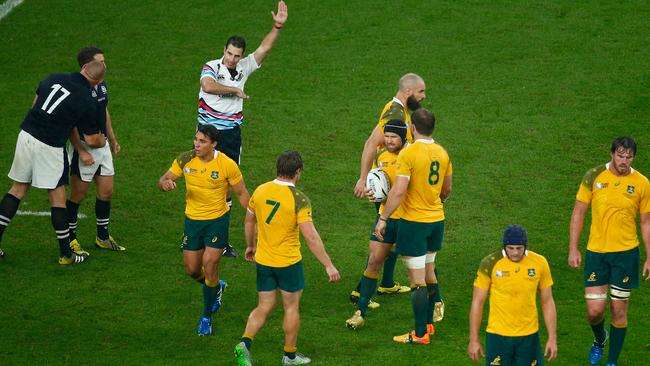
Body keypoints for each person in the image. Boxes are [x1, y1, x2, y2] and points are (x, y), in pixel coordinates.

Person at [197, 0, 287, 258]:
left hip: (232, 135)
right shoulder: (211, 66)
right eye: (230, 54)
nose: (233, 59)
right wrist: (235, 90)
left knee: (226, 186)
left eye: (237, 55)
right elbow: (208, 87)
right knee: (205, 183)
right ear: (223, 50)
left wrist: (277, 26)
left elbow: (265, 48)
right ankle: (199, 234)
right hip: (208, 134)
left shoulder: (245, 66)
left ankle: (220, 241)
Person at [234, 151, 340, 366]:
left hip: (263, 260)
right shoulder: (299, 199)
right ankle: (289, 356)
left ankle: (245, 342)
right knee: (291, 308)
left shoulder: (260, 190)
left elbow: (249, 221)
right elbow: (310, 235)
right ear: (297, 172)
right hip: (288, 263)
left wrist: (250, 246)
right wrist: (328, 265)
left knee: (264, 305)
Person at [0, 60, 107, 264]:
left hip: (26, 135)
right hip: (49, 145)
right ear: (98, 81)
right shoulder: (86, 100)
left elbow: (35, 104)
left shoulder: (54, 77)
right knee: (58, 198)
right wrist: (102, 141)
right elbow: (92, 139)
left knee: (17, 189)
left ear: (84, 68)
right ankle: (66, 254)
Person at [158, 125, 250, 336]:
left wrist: (256, 217)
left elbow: (242, 193)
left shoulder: (227, 164)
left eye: (202, 142)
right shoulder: (185, 159)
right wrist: (165, 184)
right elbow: (163, 179)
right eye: (196, 140)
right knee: (192, 269)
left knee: (210, 265)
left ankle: (206, 317)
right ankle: (217, 287)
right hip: (192, 221)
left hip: (217, 221)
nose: (196, 145)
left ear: (214, 144)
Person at [568, 136, 650, 366]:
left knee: (618, 309)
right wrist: (573, 248)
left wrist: (649, 256)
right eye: (620, 155)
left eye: (629, 157)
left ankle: (612, 362)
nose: (624, 161)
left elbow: (646, 222)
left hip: (626, 255)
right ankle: (600, 338)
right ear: (612, 154)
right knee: (594, 311)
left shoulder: (642, 183)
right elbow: (578, 212)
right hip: (597, 254)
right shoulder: (593, 176)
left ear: (633, 157)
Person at [374, 108, 451, 345]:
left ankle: (419, 334)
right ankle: (428, 324)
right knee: (429, 272)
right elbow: (446, 189)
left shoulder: (408, 154)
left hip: (414, 224)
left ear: (412, 128)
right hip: (437, 221)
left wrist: (384, 217)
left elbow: (398, 191)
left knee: (417, 280)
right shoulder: (442, 153)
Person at [351, 73, 429, 307]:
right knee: (383, 236)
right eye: (421, 92)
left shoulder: (400, 110)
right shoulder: (394, 113)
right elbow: (371, 144)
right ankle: (359, 293)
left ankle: (386, 283)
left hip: (395, 178)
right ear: (408, 93)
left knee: (391, 233)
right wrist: (363, 179)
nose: (424, 97)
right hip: (387, 183)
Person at [346, 120, 411, 330]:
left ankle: (431, 309)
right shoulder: (381, 156)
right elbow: (377, 182)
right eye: (387, 136)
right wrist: (372, 192)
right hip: (386, 217)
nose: (390, 141)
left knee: (420, 268)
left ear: (404, 137)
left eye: (394, 137)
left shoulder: (411, 156)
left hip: (409, 220)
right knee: (374, 261)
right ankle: (360, 312)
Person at [468, 224, 558, 365]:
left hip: (528, 337)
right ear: (504, 246)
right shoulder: (490, 263)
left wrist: (552, 338)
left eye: (519, 248)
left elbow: (547, 301)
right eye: (511, 248)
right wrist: (473, 339)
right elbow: (477, 302)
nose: (515, 253)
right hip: (497, 336)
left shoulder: (539, 263)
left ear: (525, 246)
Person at [67, 46, 124, 256]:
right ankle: (71, 239)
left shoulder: (101, 84)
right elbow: (70, 124)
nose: (104, 66)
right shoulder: (77, 91)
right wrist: (81, 150)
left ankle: (102, 236)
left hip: (102, 145)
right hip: (85, 149)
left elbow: (104, 111)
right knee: (78, 195)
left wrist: (112, 139)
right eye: (100, 62)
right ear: (87, 66)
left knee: (106, 192)